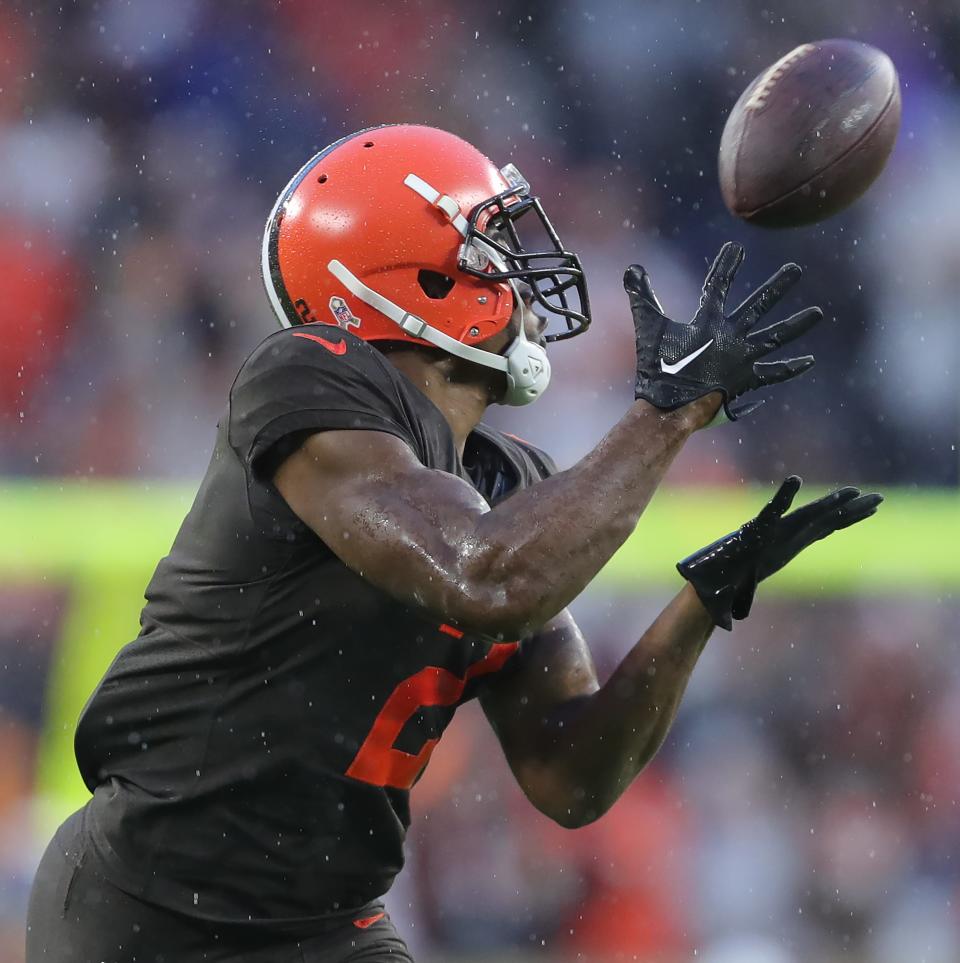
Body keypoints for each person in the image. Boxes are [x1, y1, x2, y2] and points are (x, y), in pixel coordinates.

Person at [26, 125, 881, 963]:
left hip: (326, 920)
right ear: (419, 275)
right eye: (493, 244)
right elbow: (481, 574)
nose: (522, 268)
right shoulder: (308, 374)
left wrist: (698, 608)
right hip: (154, 904)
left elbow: (570, 771)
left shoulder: (510, 486)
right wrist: (666, 415)